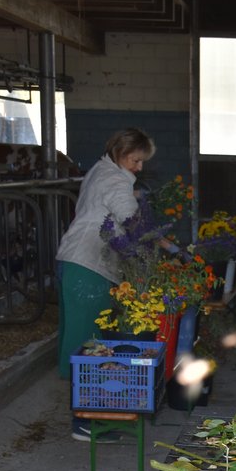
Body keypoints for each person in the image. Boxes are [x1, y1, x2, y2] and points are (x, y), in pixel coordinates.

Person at [55, 127, 155, 440]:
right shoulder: (114, 179)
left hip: (74, 261)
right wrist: (161, 245)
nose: (140, 168)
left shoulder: (101, 170)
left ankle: (90, 412)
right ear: (120, 154)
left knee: (81, 341)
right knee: (87, 345)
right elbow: (131, 220)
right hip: (89, 267)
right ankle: (84, 422)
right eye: (136, 161)